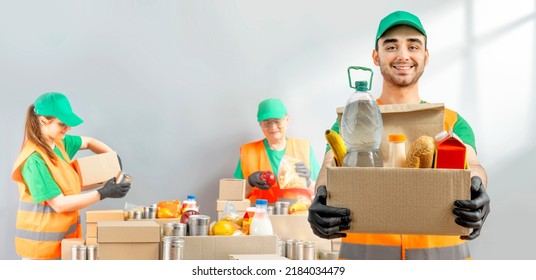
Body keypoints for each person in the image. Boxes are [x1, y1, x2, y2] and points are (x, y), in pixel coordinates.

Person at [308, 11, 490, 260]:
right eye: (391, 46)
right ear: (376, 56)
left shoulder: (452, 122)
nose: (403, 55)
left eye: (413, 46)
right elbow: (330, 165)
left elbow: (475, 166)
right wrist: (319, 196)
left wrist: (478, 189)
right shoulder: (352, 120)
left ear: (425, 56)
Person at [11, 92, 131, 260]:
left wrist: (111, 157)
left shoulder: (59, 143)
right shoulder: (34, 160)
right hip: (40, 253)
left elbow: (88, 142)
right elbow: (59, 204)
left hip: (62, 245)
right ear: (43, 120)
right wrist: (103, 192)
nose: (68, 128)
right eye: (62, 124)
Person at [234, 98, 320, 205]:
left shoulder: (304, 148)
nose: (273, 127)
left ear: (287, 119)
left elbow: (322, 194)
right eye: (267, 123)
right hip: (258, 217)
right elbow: (233, 198)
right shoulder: (248, 152)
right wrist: (249, 182)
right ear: (261, 125)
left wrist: (308, 182)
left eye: (277, 121)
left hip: (297, 216)